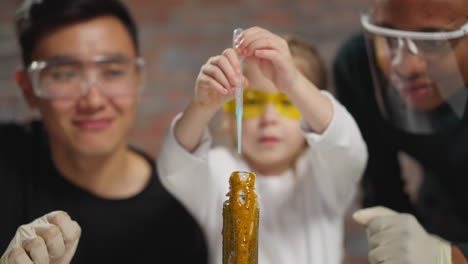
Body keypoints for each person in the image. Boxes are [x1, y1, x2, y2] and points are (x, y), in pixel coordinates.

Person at [0, 0, 207, 263]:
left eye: (112, 72)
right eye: (64, 74)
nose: (94, 101)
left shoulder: (181, 213)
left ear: (138, 79)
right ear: (28, 88)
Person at [157, 26, 368, 264]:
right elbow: (175, 168)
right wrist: (201, 107)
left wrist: (294, 82)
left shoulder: (323, 177)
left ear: (309, 108)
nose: (269, 118)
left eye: (287, 101)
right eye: (253, 101)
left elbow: (348, 148)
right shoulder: (218, 173)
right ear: (230, 117)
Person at [332, 0, 468, 262]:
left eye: (433, 42)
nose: (405, 67)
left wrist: (448, 257)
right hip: (441, 213)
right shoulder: (358, 66)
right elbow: (383, 192)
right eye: (388, 38)